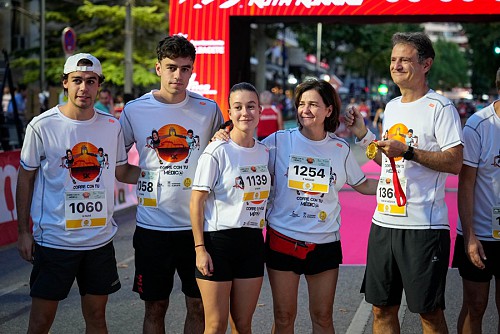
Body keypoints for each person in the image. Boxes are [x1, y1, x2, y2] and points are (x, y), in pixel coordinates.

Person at [346, 32, 463, 334]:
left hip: (423, 227)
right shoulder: (393, 106)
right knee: (381, 308)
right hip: (383, 223)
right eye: (393, 59)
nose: (396, 65)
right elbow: (389, 162)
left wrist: (408, 151)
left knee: (429, 313)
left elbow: (455, 162)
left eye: (405, 60)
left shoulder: (441, 108)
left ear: (426, 64)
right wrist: (363, 134)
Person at [16, 53, 140, 334]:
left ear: (99, 86)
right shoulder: (42, 125)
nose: (84, 87)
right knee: (40, 322)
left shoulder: (111, 126)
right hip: (56, 241)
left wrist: (166, 174)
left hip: (98, 241)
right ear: (65, 84)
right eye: (77, 81)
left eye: (90, 81)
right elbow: (25, 178)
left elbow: (123, 172)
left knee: (97, 318)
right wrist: (24, 231)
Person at [119, 35, 224, 334]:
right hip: (153, 229)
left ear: (192, 70)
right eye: (171, 67)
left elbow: (224, 157)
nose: (178, 75)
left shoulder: (208, 109)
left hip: (199, 229)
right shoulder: (134, 110)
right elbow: (118, 167)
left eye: (184, 68)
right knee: (155, 307)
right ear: (157, 68)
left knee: (198, 305)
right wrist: (150, 176)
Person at [263, 79, 378, 333]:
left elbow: (363, 185)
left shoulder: (339, 148)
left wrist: (398, 185)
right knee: (283, 317)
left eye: (313, 104)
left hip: (324, 244)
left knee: (323, 317)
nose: (305, 109)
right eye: (302, 104)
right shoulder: (278, 141)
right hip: (282, 241)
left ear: (328, 110)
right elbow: (245, 154)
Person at [190, 82, 269, 334]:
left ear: (260, 110)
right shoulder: (216, 151)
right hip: (218, 244)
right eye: (238, 107)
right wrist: (200, 249)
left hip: (252, 243)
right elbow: (196, 201)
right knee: (214, 326)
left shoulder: (266, 152)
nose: (245, 112)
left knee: (243, 325)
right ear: (230, 112)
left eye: (251, 106)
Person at [452, 67, 500, 334]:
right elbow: (466, 183)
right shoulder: (479, 125)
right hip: (479, 233)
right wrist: (470, 235)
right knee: (475, 305)